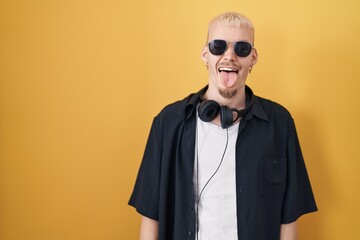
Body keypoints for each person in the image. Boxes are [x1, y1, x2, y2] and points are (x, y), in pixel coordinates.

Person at [129, 12, 317, 240]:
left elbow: (288, 218)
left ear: (254, 57)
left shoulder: (279, 123)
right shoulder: (168, 123)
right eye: (218, 46)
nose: (230, 56)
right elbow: (151, 215)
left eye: (242, 48)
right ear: (205, 54)